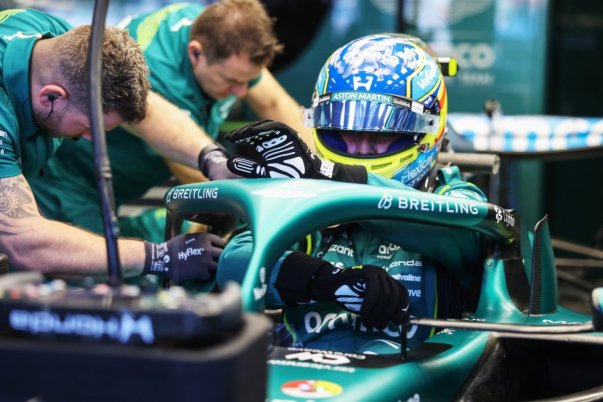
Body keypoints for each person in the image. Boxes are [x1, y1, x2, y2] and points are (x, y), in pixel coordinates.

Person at [218, 34, 488, 354]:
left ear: (427, 132)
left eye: (380, 134)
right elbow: (234, 264)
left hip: (421, 373)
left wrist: (336, 178)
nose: (360, 148)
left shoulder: (456, 197)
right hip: (304, 371)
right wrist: (328, 281)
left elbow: (462, 234)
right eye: (345, 132)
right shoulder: (307, 192)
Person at [29, 0, 313, 243]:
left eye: (247, 81)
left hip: (115, 187)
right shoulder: (159, 76)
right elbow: (194, 170)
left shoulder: (222, 33)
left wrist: (317, 171)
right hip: (68, 182)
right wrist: (268, 201)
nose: (241, 91)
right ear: (195, 53)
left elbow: (274, 103)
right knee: (107, 269)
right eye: (231, 81)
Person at [0, 8, 225, 283]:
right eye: (88, 127)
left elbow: (149, 112)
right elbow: (23, 240)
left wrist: (211, 157)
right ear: (51, 97)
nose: (93, 138)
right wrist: (160, 256)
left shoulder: (51, 37)